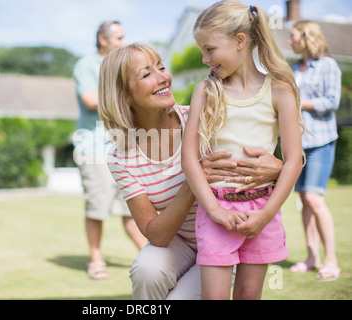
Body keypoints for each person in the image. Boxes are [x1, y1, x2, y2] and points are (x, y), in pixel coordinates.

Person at [98, 42, 283, 299]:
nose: (163, 77)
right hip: (181, 242)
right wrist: (195, 177)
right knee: (146, 270)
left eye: (161, 67)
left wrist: (278, 168)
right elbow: (156, 235)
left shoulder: (202, 117)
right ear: (124, 95)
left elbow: (253, 158)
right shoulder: (120, 157)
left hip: (224, 240)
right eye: (147, 74)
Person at [181, 0, 304, 299]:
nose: (204, 58)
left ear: (240, 41)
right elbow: (189, 158)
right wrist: (214, 210)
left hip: (263, 211)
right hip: (217, 212)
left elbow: (293, 161)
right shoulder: (206, 91)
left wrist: (266, 215)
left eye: (210, 49)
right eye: (202, 50)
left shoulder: (280, 91)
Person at [72, 20, 146, 280]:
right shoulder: (86, 65)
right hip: (92, 148)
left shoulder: (121, 66)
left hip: (122, 146)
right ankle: (96, 260)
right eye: (118, 38)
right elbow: (91, 100)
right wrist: (127, 94)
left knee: (131, 207)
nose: (123, 43)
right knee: (97, 207)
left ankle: (150, 257)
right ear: (103, 40)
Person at [288, 20, 341, 280]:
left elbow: (331, 101)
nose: (290, 41)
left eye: (294, 36)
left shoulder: (328, 65)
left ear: (307, 37)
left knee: (313, 198)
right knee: (303, 201)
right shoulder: (295, 68)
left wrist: (299, 102)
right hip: (298, 145)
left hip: (321, 140)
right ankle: (312, 258)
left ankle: (331, 260)